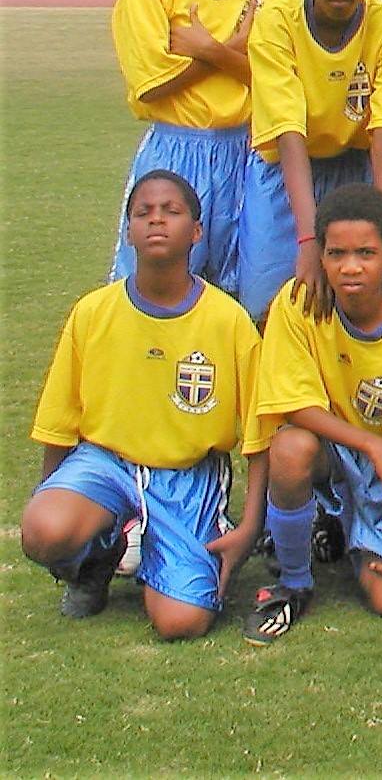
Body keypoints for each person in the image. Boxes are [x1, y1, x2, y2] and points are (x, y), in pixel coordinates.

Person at [22, 170, 263, 639]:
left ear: (196, 231)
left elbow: (261, 433)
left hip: (187, 475)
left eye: (171, 212)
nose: (156, 221)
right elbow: (58, 422)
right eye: (143, 212)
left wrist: (251, 526)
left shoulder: (227, 319)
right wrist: (55, 516)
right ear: (128, 229)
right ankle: (99, 556)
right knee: (44, 528)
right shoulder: (93, 312)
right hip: (105, 463)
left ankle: (169, 546)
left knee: (180, 623)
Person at [242, 184, 382, 645]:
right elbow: (292, 404)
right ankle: (293, 582)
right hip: (334, 452)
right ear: (320, 254)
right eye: (336, 253)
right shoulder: (298, 305)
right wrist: (371, 444)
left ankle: (340, 527)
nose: (350, 267)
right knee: (291, 446)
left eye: (366, 252)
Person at [109, 0, 278, 292]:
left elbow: (278, 77)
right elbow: (151, 85)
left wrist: (208, 50)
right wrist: (235, 53)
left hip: (247, 150)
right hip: (177, 149)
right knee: (157, 280)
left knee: (244, 286)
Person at [238, 0, 382, 322]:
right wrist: (307, 239)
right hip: (286, 170)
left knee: (366, 297)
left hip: (358, 166)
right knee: (272, 302)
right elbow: (288, 133)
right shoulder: (277, 24)